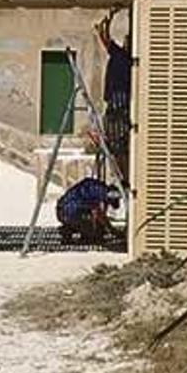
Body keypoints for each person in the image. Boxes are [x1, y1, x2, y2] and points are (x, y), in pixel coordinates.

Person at [97, 18, 132, 185]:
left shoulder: (121, 56)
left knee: (118, 147)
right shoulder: (125, 59)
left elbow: (104, 37)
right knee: (119, 147)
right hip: (118, 104)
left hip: (117, 104)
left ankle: (124, 177)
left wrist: (108, 19)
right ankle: (124, 176)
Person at [55, 177, 122, 244]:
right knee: (95, 235)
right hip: (70, 212)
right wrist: (112, 230)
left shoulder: (97, 188)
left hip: (61, 211)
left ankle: (68, 229)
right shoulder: (99, 193)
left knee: (94, 225)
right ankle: (76, 233)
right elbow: (99, 215)